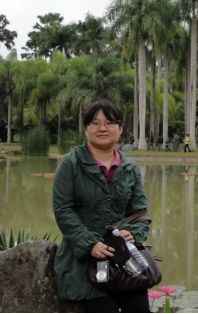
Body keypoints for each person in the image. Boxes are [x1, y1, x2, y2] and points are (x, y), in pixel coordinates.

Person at [53, 100, 151, 313]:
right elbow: (63, 210)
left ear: (120, 128)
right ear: (86, 128)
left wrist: (132, 233)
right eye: (95, 123)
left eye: (109, 123)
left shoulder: (130, 168)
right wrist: (90, 244)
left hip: (123, 260)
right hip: (82, 263)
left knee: (140, 308)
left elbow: (140, 213)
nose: (102, 128)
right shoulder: (70, 164)